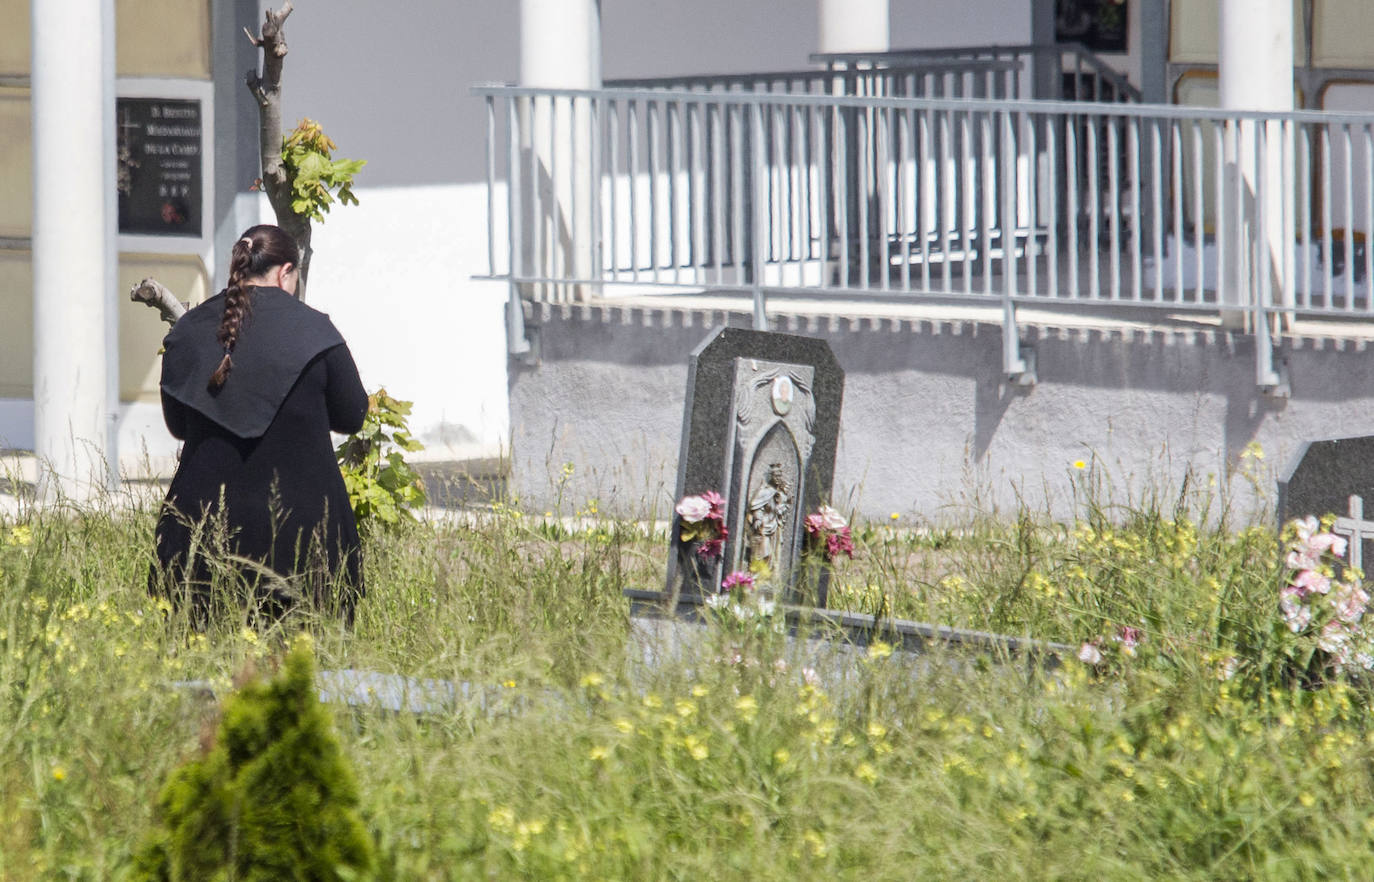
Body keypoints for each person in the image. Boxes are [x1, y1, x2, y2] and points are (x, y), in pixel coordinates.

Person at [149, 224, 369, 625]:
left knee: (198, 668)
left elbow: (178, 425)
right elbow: (353, 415)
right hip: (305, 539)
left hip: (199, 533)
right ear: (286, 272)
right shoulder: (317, 331)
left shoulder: (188, 330)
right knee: (308, 673)